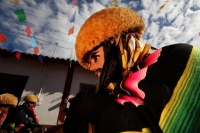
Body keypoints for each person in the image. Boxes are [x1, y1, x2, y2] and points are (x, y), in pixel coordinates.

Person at [64, 7, 200, 133]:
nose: (92, 67)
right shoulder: (119, 92)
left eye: (95, 57)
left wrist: (106, 113)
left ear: (119, 41)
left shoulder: (179, 56)